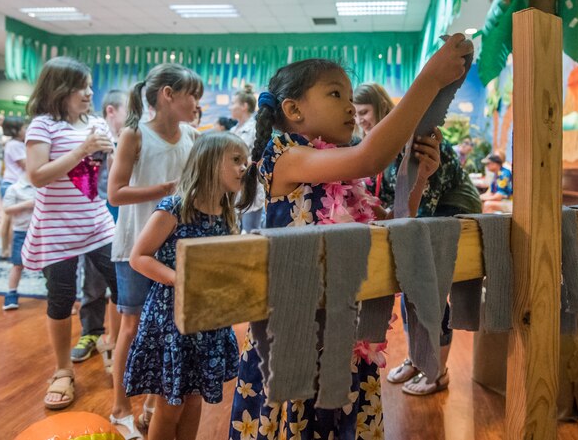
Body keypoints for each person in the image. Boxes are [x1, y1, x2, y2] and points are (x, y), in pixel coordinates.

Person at [229, 33, 472, 439]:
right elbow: (369, 156)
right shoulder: (284, 157)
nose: (349, 107)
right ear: (293, 110)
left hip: (346, 335)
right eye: (335, 94)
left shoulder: (339, 175)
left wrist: (419, 180)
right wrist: (429, 79)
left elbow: (393, 224)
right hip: (295, 341)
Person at [354, 82, 483, 395]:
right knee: (413, 291)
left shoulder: (415, 136)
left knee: (429, 291)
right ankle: (419, 358)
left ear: (382, 108)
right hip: (419, 215)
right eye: (355, 114)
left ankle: (437, 372)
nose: (360, 120)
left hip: (452, 211)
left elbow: (426, 200)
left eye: (364, 112)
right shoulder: (380, 147)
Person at [125, 132, 249, 440]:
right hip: (173, 319)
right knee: (170, 407)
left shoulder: (230, 213)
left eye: (245, 161)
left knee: (194, 401)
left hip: (207, 320)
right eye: (236, 160)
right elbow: (138, 257)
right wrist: (181, 279)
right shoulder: (175, 208)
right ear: (209, 162)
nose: (244, 168)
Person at [108, 63, 202, 436]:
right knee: (130, 328)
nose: (196, 103)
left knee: (168, 331)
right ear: (168, 94)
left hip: (175, 251)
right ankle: (119, 405)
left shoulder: (193, 136)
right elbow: (115, 193)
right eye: (192, 94)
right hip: (135, 245)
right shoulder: (135, 135)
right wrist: (169, 189)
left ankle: (152, 402)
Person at [24, 56, 119, 411]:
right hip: (56, 227)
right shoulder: (43, 126)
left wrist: (108, 152)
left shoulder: (96, 123)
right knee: (60, 297)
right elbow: (38, 175)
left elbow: (101, 176)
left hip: (96, 222)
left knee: (122, 284)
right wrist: (82, 150)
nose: (88, 93)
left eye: (90, 86)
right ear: (60, 89)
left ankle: (114, 345)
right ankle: (63, 370)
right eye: (82, 86)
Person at [70, 89, 129, 366]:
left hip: (124, 217)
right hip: (97, 216)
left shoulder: (129, 139)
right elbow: (85, 182)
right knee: (92, 280)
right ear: (111, 111)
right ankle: (91, 333)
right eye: (127, 109)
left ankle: (122, 339)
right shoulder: (93, 137)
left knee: (123, 281)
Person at [229, 85, 264, 231]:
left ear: (244, 106)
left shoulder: (255, 128)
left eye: (234, 103)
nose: (231, 107)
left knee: (251, 231)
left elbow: (258, 157)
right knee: (232, 229)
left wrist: (240, 166)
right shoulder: (233, 130)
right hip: (233, 186)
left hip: (250, 187)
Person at [2, 171, 35, 310]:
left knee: (49, 265)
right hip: (21, 232)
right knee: (17, 264)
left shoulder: (45, 186)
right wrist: (27, 204)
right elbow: (7, 209)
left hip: (42, 231)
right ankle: (11, 294)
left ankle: (55, 295)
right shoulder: (14, 188)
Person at [0, 117, 27, 261]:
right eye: (24, 128)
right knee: (12, 220)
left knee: (9, 220)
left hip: (10, 182)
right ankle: (8, 250)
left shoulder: (13, 144)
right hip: (13, 183)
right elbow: (26, 165)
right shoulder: (15, 145)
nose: (26, 131)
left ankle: (6, 249)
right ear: (15, 130)